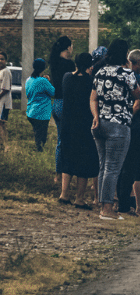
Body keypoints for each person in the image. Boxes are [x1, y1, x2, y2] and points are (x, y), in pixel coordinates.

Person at [90, 40, 140, 220]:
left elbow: (93, 99)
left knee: (104, 167)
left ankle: (103, 205)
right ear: (125, 54)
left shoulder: (100, 72)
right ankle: (108, 209)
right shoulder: (127, 74)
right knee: (113, 168)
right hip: (118, 124)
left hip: (99, 123)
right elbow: (138, 94)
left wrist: (96, 116)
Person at [58, 52, 99, 208]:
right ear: (90, 65)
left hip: (67, 123)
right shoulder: (90, 82)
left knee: (67, 157)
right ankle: (79, 198)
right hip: (84, 125)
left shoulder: (67, 77)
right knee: (84, 161)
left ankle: (64, 194)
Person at [117, 50, 140, 214]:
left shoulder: (118, 75)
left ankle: (117, 200)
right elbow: (138, 102)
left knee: (117, 164)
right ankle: (125, 202)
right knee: (131, 165)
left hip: (118, 122)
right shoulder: (138, 78)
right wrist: (129, 117)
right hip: (132, 125)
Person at [48, 35, 74, 175]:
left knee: (60, 140)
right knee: (68, 141)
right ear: (68, 47)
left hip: (56, 103)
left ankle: (58, 171)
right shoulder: (69, 65)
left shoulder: (55, 62)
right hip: (66, 103)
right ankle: (66, 171)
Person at [23, 58, 55, 151]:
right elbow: (53, 92)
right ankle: (39, 150)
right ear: (44, 68)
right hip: (41, 112)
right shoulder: (43, 81)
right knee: (42, 135)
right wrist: (48, 81)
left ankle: (38, 148)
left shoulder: (28, 79)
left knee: (37, 132)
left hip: (31, 111)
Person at [0, 50, 11, 150]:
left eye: (2, 59)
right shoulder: (1, 72)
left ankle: (6, 145)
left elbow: (6, 89)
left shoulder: (6, 72)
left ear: (6, 61)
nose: (0, 61)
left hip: (4, 103)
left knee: (2, 124)